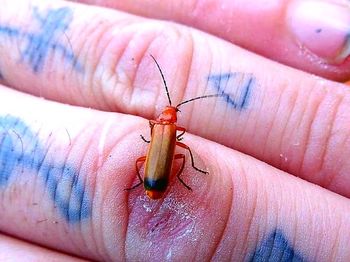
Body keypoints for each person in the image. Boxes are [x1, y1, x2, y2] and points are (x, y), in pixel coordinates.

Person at [0, 0, 349, 261]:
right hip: (159, 176)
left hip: (154, 175)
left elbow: (156, 144)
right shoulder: (171, 133)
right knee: (166, 160)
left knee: (149, 158)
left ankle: (156, 182)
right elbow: (165, 146)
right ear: (171, 121)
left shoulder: (159, 131)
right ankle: (164, 180)